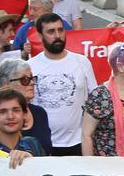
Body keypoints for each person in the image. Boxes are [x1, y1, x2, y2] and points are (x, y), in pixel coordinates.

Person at [29, 15, 96, 157]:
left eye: (60, 30)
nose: (57, 35)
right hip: (42, 144)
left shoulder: (82, 62)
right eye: (51, 32)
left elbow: (94, 100)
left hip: (78, 143)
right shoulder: (30, 66)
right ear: (40, 35)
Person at [0, 60, 52, 152]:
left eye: (32, 78)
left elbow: (46, 151)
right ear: (6, 84)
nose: (31, 83)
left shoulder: (40, 113)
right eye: (24, 80)